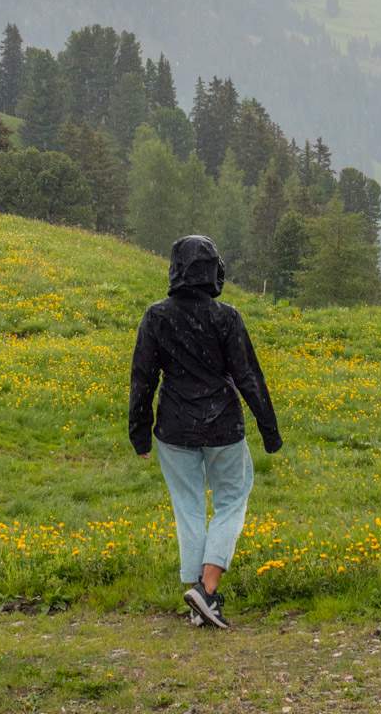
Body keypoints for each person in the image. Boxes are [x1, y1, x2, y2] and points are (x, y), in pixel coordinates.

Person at [128, 233, 282, 629]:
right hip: (223, 426)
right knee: (232, 497)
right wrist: (269, 429)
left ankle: (198, 597)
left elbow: (143, 378)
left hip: (174, 427)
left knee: (189, 507)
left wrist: (139, 432)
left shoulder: (156, 316)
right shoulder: (226, 317)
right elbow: (248, 376)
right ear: (214, 271)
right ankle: (208, 588)